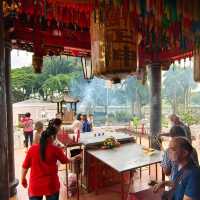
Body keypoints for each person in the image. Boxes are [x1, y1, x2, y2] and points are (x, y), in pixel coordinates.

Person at [21, 118, 81, 200]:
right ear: (52, 138)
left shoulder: (32, 149)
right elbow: (65, 160)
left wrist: (23, 179)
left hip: (35, 186)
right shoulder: (55, 149)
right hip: (51, 186)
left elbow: (25, 167)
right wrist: (75, 158)